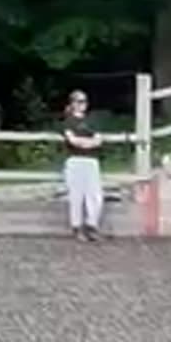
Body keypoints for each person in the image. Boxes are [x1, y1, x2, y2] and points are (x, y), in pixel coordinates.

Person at [61, 90, 104, 241]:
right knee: (76, 195)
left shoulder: (93, 121)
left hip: (91, 160)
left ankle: (92, 225)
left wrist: (85, 143)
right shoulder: (68, 121)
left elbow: (98, 139)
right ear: (72, 104)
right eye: (78, 102)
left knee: (95, 195)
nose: (81, 105)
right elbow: (72, 140)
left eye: (84, 101)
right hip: (75, 160)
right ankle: (77, 226)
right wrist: (88, 143)